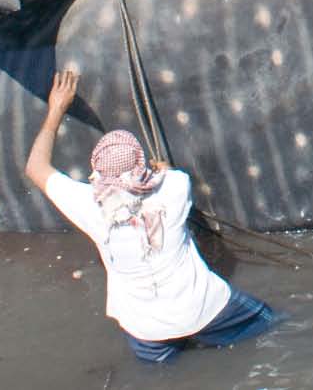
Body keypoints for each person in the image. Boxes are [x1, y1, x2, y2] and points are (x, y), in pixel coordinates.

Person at [25, 70, 280, 363]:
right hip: (204, 309)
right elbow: (168, 175)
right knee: (276, 325)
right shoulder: (173, 188)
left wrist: (56, 108)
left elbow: (35, 167)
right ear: (140, 165)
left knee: (160, 374)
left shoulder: (89, 206)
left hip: (146, 329)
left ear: (97, 170)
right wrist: (162, 168)